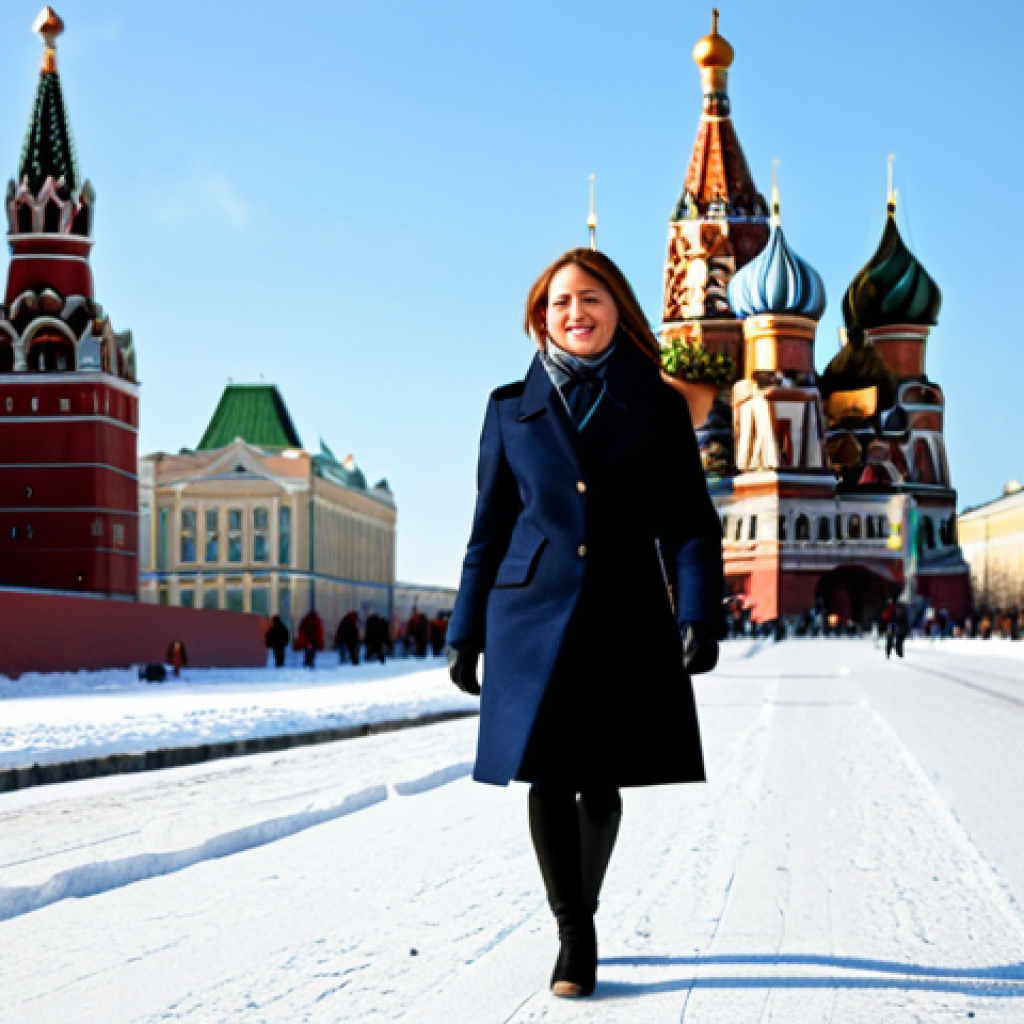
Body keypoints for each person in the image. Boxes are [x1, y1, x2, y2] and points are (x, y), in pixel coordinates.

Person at [445, 249, 723, 998]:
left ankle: (583, 907)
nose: (576, 313)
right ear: (542, 317)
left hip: (626, 611)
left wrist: (698, 609)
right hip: (530, 617)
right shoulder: (510, 407)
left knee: (601, 788)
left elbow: (691, 523)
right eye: (561, 302)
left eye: (590, 298)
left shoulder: (660, 406)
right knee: (549, 779)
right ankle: (576, 933)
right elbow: (489, 528)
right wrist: (464, 630)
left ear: (617, 309)